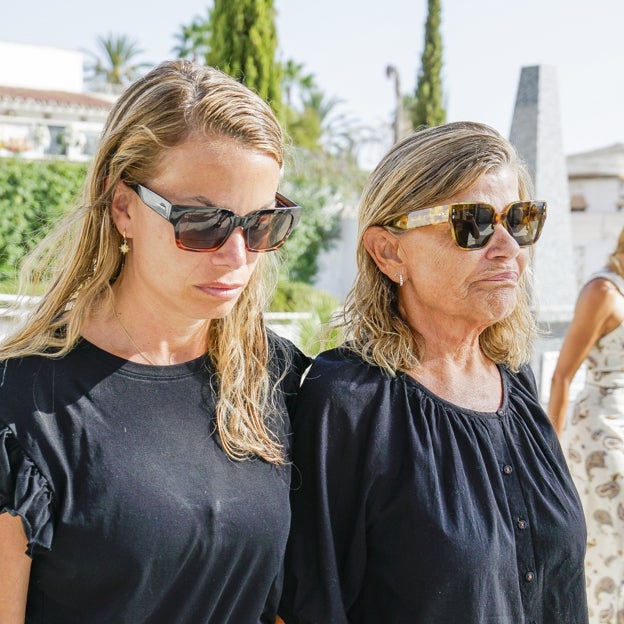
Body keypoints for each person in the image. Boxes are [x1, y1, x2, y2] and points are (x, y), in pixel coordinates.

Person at [0, 59, 310, 623]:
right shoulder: (21, 407)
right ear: (123, 208)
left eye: (261, 224)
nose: (237, 255)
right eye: (201, 223)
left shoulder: (282, 383)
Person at [279, 121, 588, 623]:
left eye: (520, 219)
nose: (508, 246)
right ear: (388, 251)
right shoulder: (348, 403)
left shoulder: (517, 383)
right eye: (474, 222)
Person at [548, 229, 624, 623]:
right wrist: (547, 456)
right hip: (601, 433)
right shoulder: (602, 291)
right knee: (607, 545)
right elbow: (561, 376)